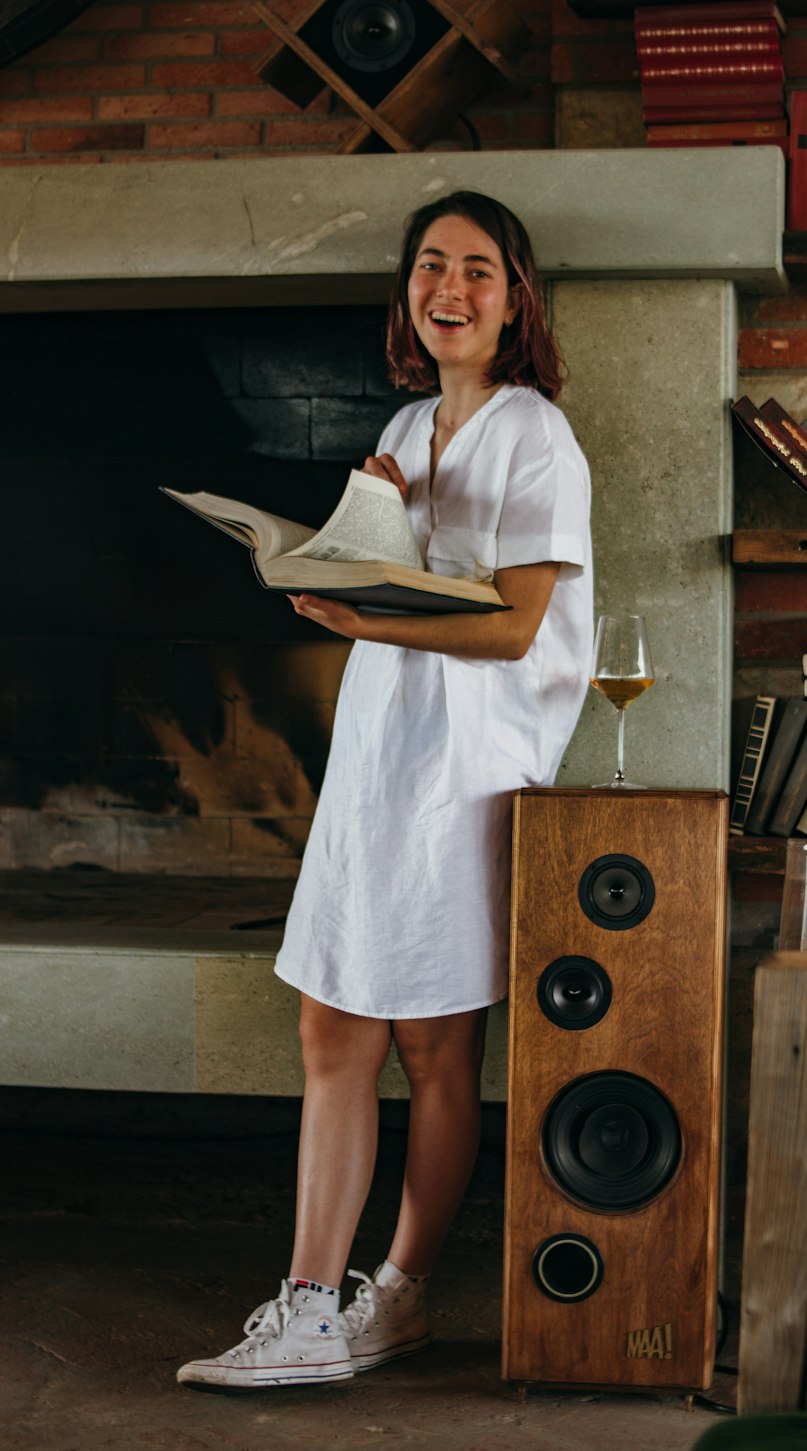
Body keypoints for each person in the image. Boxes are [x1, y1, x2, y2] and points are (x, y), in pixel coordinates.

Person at [177, 191, 593, 1390]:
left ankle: (382, 1296)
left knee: (433, 1047)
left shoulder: (536, 436)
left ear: (513, 300)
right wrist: (374, 523)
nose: (446, 287)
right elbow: (419, 584)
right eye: (428, 266)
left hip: (467, 770)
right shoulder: (409, 428)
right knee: (333, 1027)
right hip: (383, 755)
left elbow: (517, 629)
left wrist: (361, 610)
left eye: (474, 268)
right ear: (408, 291)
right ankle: (323, 1306)